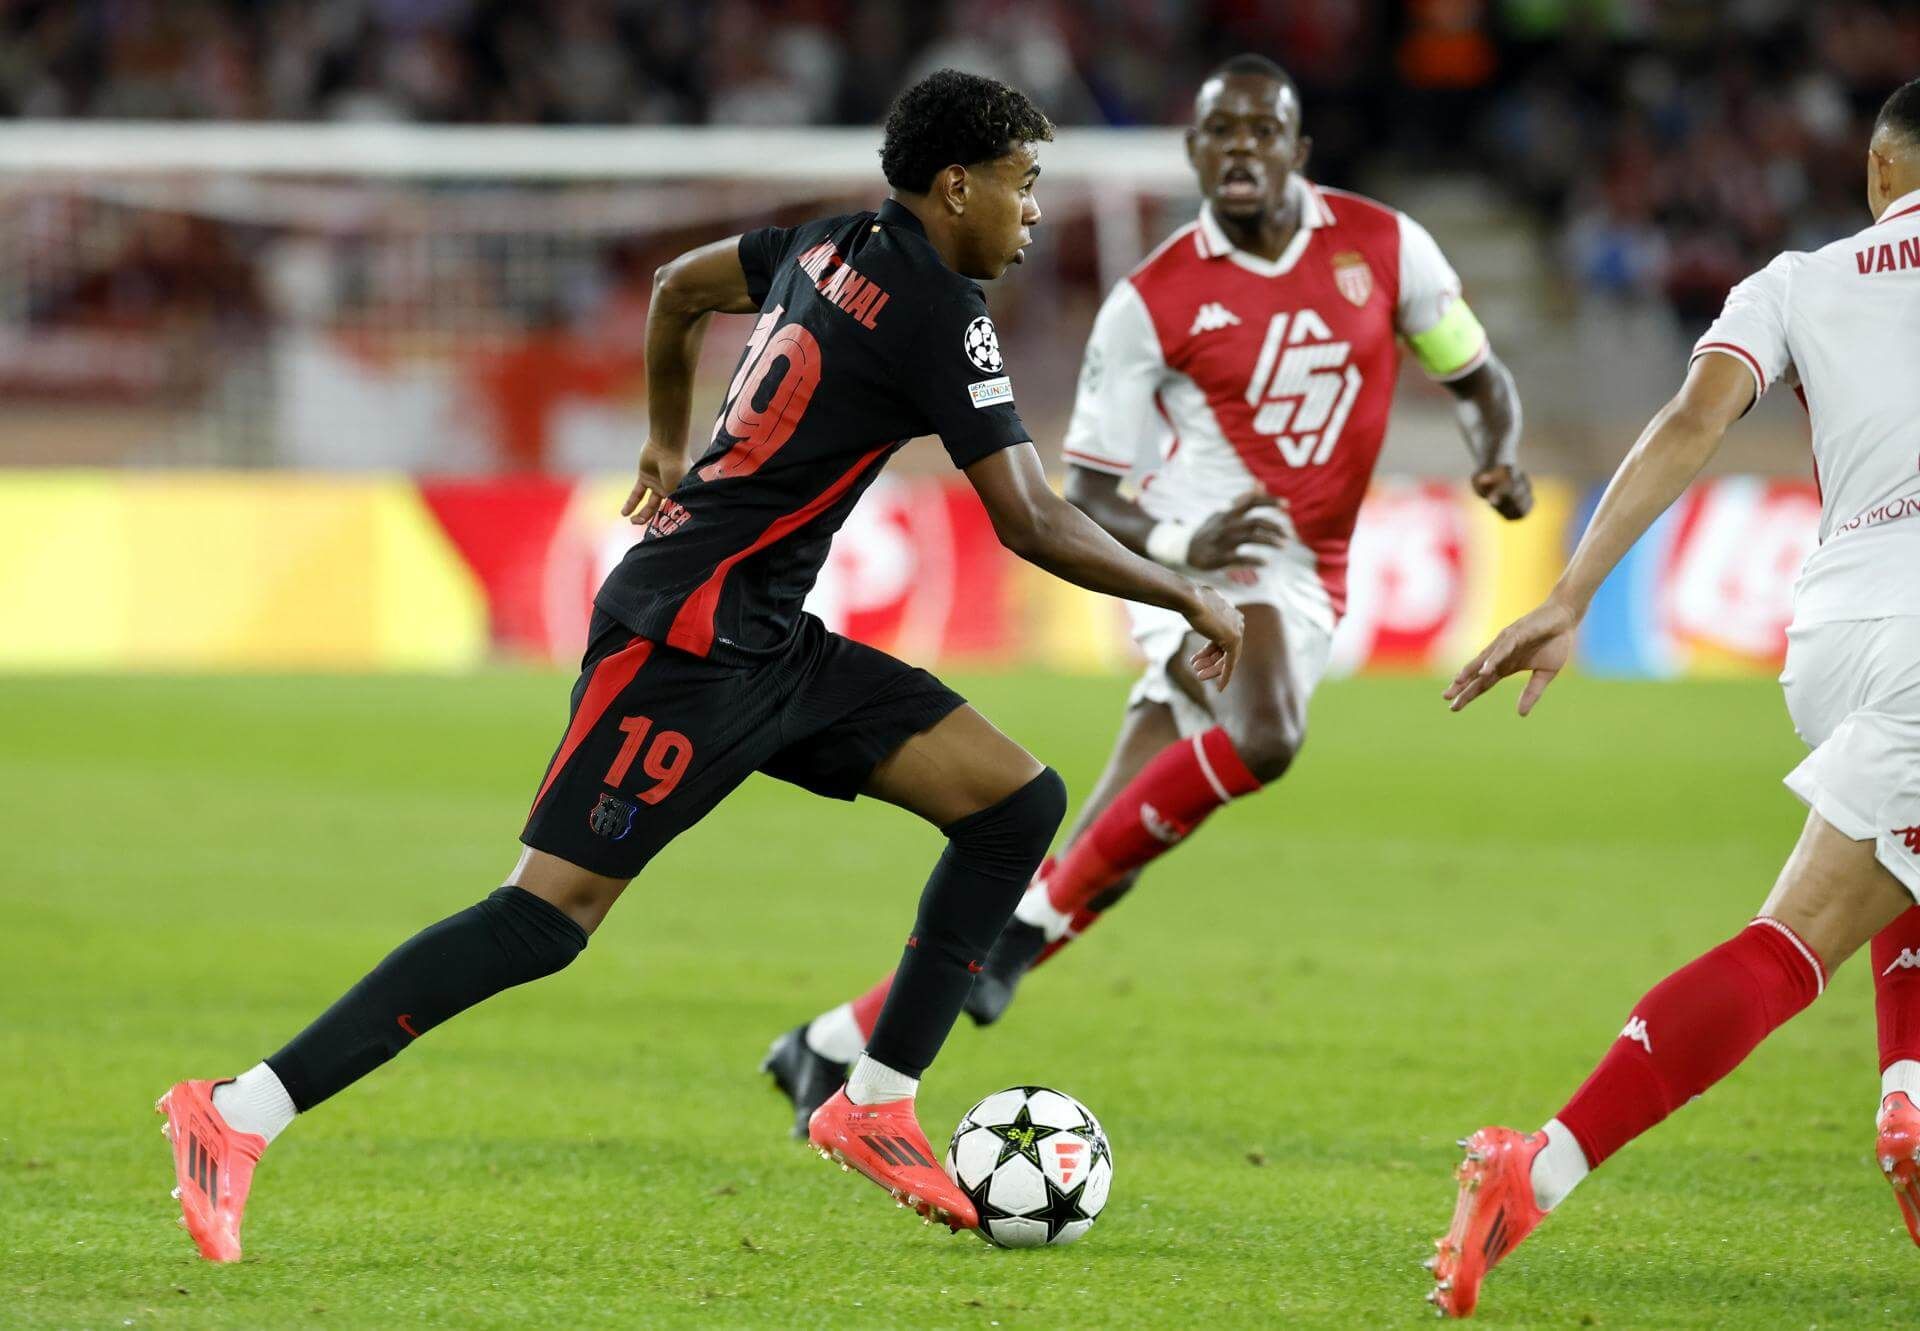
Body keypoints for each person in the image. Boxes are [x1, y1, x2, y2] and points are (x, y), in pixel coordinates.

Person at [155, 69, 1243, 1260]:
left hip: (763, 635)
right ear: (956, 184)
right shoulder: (944, 308)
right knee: (543, 916)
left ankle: (874, 1099)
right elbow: (1027, 517)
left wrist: (666, 439)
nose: (1035, 214)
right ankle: (236, 1110)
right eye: (1025, 186)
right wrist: (1184, 587)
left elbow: (678, 289)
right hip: (683, 646)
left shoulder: (825, 242)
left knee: (1012, 799)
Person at [768, 53, 1531, 1137]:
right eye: (1219, 133)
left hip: (1314, 574)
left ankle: (833, 1043)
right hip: (1209, 569)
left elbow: (1478, 377)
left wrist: (1497, 458)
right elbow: (1084, 496)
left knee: (1104, 848)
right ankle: (1022, 936)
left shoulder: (1387, 247)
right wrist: (1187, 542)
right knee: (1266, 736)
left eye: (1263, 132)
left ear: (1298, 150)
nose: (1241, 153)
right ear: (1193, 153)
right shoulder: (1154, 300)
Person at [1425, 76, 1920, 1319]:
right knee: (1798, 941)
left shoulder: (1797, 280)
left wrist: (1572, 591)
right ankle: (1534, 1162)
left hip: (1840, 630)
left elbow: (1695, 417)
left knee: (1893, 855)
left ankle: (1907, 1088)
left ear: (1876, 171)